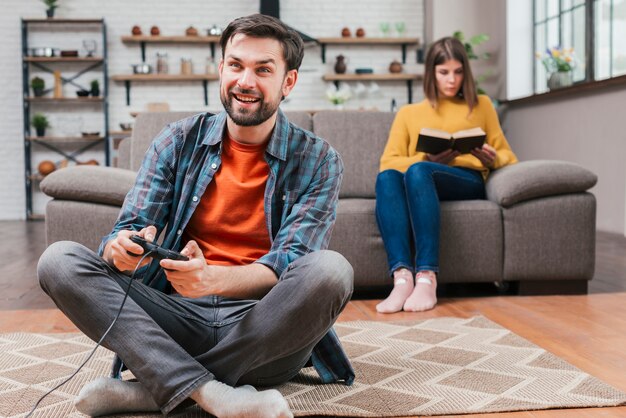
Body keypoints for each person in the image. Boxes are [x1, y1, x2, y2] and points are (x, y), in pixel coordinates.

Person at [37, 14, 354, 418]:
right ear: (221, 69)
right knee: (59, 260)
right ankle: (215, 394)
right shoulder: (176, 141)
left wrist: (213, 280)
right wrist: (122, 251)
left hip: (264, 326)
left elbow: (291, 260)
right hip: (176, 319)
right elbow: (126, 231)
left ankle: (153, 392)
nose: (245, 81)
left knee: (331, 270)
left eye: (263, 70)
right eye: (236, 65)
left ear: (288, 81)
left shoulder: (320, 160)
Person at [375, 36, 517, 314]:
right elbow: (387, 163)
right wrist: (426, 158)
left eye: (458, 71)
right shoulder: (408, 113)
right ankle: (402, 278)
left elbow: (508, 156)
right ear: (431, 73)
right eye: (444, 72)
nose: (452, 80)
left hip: (466, 179)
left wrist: (490, 157)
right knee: (389, 178)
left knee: (417, 170)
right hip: (422, 176)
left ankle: (427, 276)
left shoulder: (482, 105)